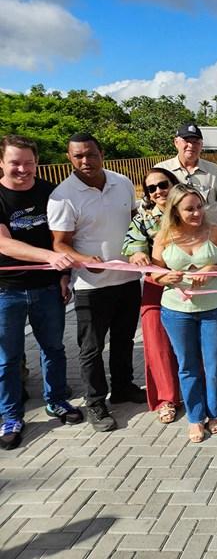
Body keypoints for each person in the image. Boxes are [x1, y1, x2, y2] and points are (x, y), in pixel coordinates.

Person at [48, 133, 144, 432]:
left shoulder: (122, 182)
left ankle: (124, 387)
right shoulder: (63, 196)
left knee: (124, 339)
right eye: (78, 156)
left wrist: (140, 253)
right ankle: (95, 402)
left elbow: (134, 224)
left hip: (128, 280)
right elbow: (60, 244)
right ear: (70, 158)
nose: (85, 161)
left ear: (101, 153)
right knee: (91, 348)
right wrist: (85, 260)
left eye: (90, 154)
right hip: (91, 286)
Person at [0, 135, 83, 451]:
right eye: (14, 163)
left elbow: (60, 239)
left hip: (47, 287)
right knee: (7, 359)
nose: (22, 169)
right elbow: (4, 243)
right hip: (5, 291)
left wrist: (63, 274)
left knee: (53, 348)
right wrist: (49, 258)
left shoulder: (50, 192)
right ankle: (11, 416)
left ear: (37, 162)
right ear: (2, 163)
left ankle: (57, 400)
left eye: (28, 163)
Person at [151, 184, 217, 443]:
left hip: (214, 309)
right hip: (177, 311)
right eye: (189, 209)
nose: (197, 213)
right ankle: (195, 418)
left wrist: (211, 268)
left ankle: (215, 411)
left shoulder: (216, 232)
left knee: (215, 364)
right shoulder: (163, 237)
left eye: (199, 207)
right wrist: (166, 277)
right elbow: (154, 273)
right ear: (175, 210)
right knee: (187, 366)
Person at [122, 167, 182, 424]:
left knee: (190, 343)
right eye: (152, 188)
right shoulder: (144, 218)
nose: (159, 191)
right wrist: (136, 253)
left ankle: (194, 393)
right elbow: (131, 242)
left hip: (188, 282)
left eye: (163, 184)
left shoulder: (191, 208)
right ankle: (166, 399)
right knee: (157, 344)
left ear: (174, 183)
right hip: (156, 285)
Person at [154, 124, 217, 227]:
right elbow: (148, 208)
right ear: (176, 143)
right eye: (186, 141)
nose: (191, 145)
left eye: (195, 142)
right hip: (174, 239)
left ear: (201, 145)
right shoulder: (161, 171)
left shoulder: (215, 172)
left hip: (210, 239)